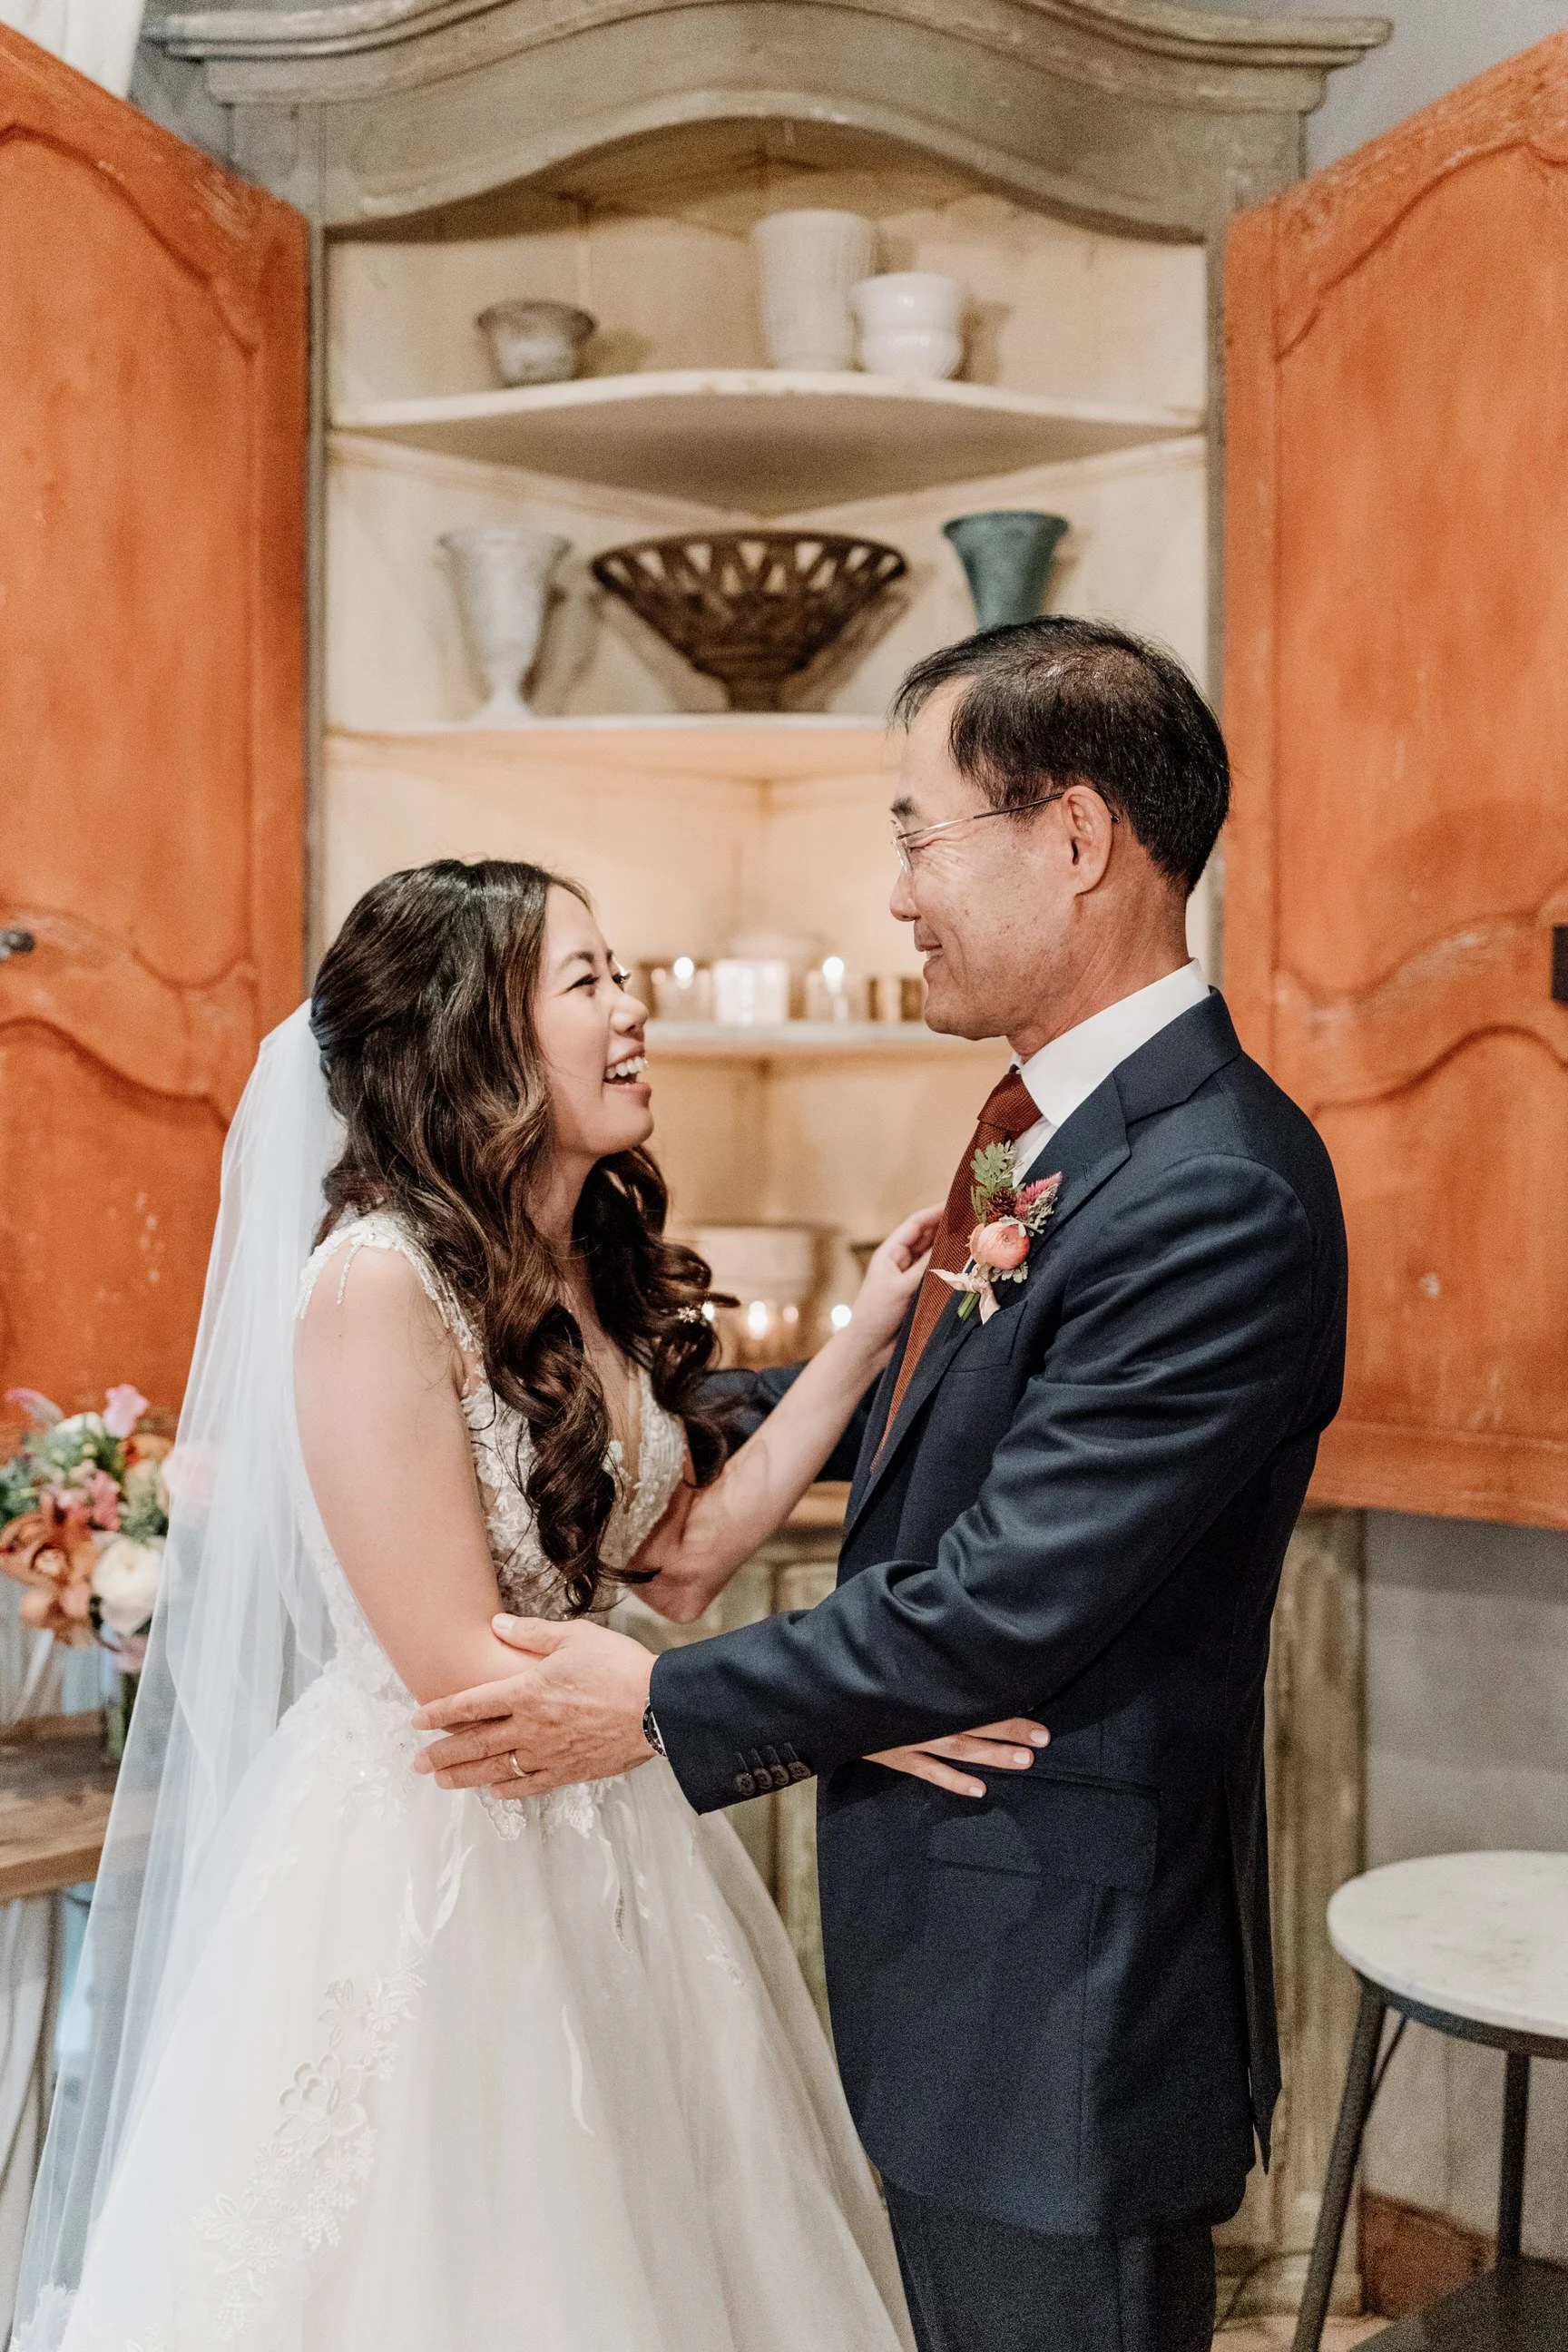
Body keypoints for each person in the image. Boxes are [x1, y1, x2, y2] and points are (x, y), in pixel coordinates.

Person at [413, 619, 1351, 2352]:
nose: (898, 894)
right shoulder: (1057, 1132)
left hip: (1066, 2001)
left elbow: (1005, 1599)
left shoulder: (1216, 1190)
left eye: (917, 834)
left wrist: (660, 1703)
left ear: (1074, 841)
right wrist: (601, 1420)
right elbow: (957, 1407)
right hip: (969, 1961)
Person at [14, 857, 1044, 2352]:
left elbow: (678, 1552)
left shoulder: (565, 1268)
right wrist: (853, 1717)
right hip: (441, 1854)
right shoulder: (375, 1287)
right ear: (475, 1033)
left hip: (606, 1816)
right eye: (588, 983)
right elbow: (460, 1670)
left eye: (622, 976)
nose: (634, 1015)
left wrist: (874, 1328)